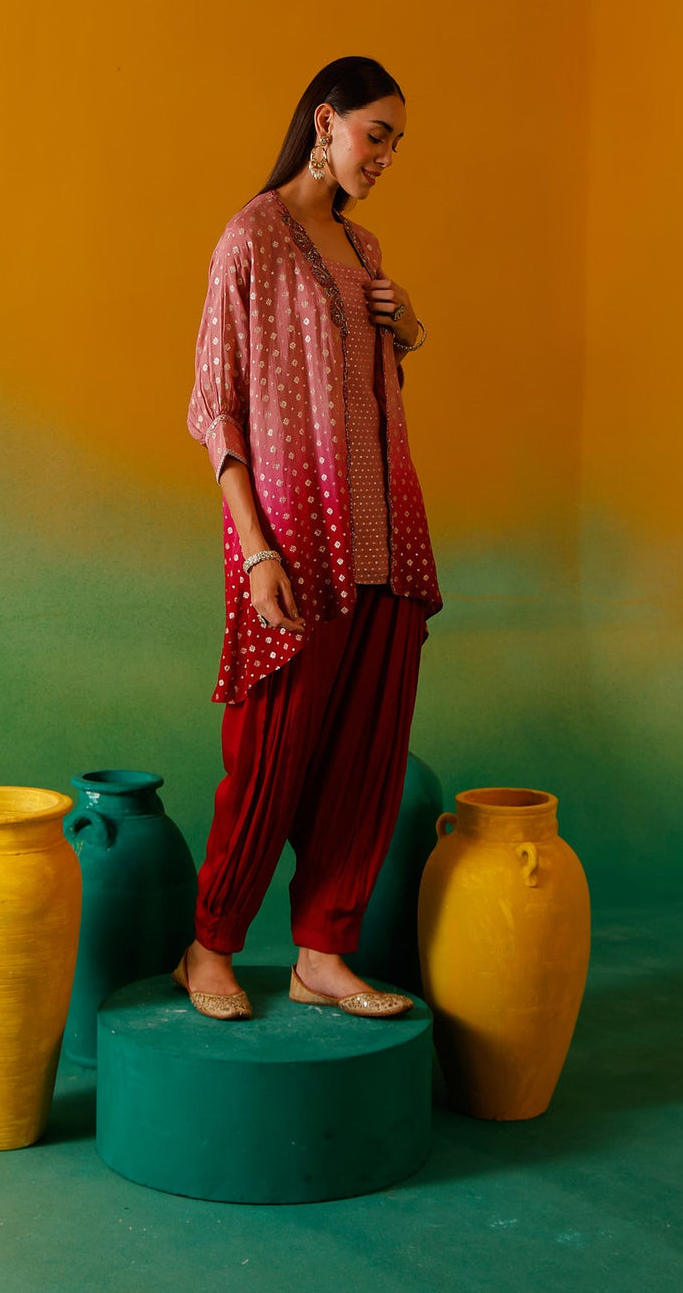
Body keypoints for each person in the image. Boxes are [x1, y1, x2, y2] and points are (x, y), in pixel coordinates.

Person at [176, 55, 442, 1020]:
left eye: (396, 144)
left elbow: (364, 388)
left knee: (366, 758)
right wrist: (255, 550)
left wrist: (407, 327)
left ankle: (321, 953)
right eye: (377, 135)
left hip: (385, 536)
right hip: (296, 539)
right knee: (269, 755)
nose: (385, 158)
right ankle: (209, 946)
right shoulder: (251, 238)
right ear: (326, 123)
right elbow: (216, 408)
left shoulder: (365, 249)